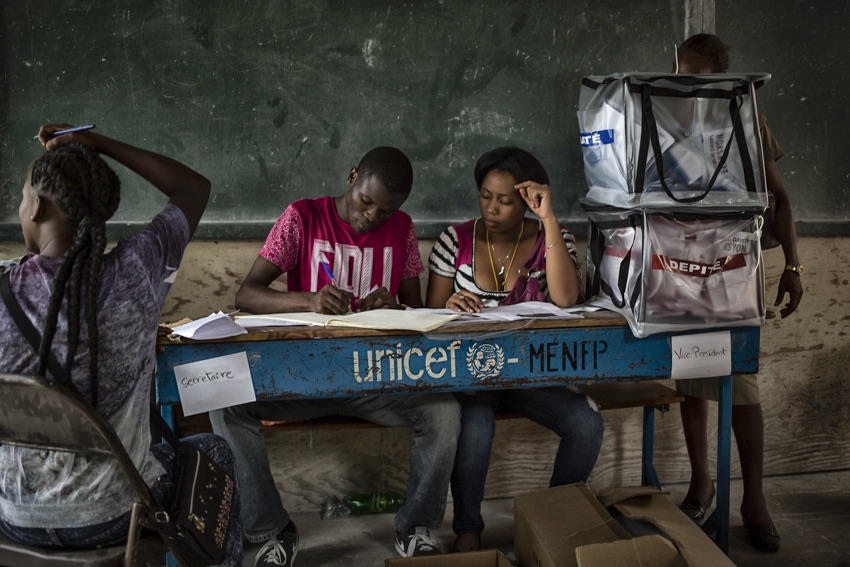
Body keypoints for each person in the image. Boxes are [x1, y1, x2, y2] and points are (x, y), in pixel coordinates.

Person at [0, 125, 243, 565]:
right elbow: (193, 188)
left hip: (11, 514)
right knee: (213, 450)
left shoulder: (4, 294)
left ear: (35, 206)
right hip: (113, 515)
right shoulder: (139, 271)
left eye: (21, 197)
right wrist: (100, 144)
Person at [209, 147, 461, 565]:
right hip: (302, 377)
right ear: (351, 178)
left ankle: (414, 526)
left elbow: (417, 312)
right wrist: (307, 300)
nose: (372, 217)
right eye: (366, 202)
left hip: (375, 379)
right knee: (224, 402)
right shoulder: (303, 218)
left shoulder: (402, 228)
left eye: (385, 210)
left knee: (444, 411)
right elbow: (247, 293)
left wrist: (395, 307)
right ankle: (273, 529)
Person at [425, 147, 604, 553]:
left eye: (505, 200)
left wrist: (550, 219)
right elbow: (428, 314)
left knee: (586, 424)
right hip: (473, 372)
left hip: (534, 372)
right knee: (474, 426)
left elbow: (565, 298)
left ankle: (553, 520)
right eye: (486, 195)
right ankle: (468, 528)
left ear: (527, 199)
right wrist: (447, 304)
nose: (492, 207)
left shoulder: (552, 239)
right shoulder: (456, 240)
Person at [674, 34, 803, 553]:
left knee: (741, 380)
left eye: (698, 74)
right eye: (681, 71)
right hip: (680, 263)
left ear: (723, 76)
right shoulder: (665, 121)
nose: (687, 83)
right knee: (690, 371)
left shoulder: (746, 118)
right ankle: (702, 483)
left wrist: (793, 266)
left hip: (735, 265)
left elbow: (782, 199)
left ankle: (754, 499)